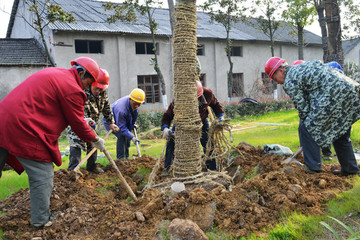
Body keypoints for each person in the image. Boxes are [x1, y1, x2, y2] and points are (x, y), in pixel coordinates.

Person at [0, 56, 106, 229]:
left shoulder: (55, 73)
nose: (89, 86)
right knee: (43, 174)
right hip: (23, 128)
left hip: (3, 120)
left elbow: (57, 108)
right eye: (89, 81)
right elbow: (78, 125)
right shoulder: (72, 88)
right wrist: (95, 139)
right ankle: (41, 221)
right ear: (80, 73)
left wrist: (81, 119)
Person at [265, 57, 360, 175]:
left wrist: (308, 139)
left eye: (274, 78)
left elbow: (303, 109)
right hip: (351, 90)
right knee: (339, 133)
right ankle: (350, 170)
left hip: (333, 95)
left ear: (280, 70)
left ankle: (312, 168)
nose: (277, 82)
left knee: (306, 127)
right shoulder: (302, 67)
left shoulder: (289, 80)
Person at [161, 80, 224, 172]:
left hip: (201, 120)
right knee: (171, 142)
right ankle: (168, 168)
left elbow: (216, 105)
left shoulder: (208, 94)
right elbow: (168, 115)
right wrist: (165, 128)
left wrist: (220, 117)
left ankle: (212, 168)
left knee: (208, 143)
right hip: (182, 122)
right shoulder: (180, 100)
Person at [291, 60, 345, 161]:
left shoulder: (327, 69)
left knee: (322, 128)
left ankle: (326, 153)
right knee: (302, 127)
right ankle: (306, 152)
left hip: (327, 105)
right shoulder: (302, 77)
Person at [67, 69, 119, 173]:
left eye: (101, 89)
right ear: (91, 83)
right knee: (76, 144)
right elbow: (79, 112)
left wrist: (111, 123)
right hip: (78, 123)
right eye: (97, 88)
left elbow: (106, 108)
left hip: (92, 124)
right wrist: (87, 127)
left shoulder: (102, 93)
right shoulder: (82, 92)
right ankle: (73, 170)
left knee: (94, 144)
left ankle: (91, 167)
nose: (98, 91)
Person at [104, 88, 145, 159]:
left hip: (122, 120)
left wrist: (132, 124)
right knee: (121, 136)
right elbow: (122, 128)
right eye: (135, 104)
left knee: (127, 137)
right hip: (111, 121)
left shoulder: (135, 103)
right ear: (130, 99)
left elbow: (132, 116)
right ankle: (120, 159)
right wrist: (132, 137)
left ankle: (126, 157)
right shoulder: (121, 110)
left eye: (139, 104)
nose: (137, 106)